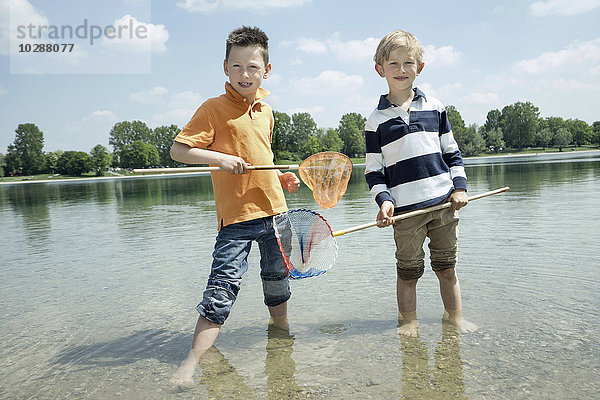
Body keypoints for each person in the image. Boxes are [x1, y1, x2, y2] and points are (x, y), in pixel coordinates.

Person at [169, 26, 300, 385]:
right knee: (221, 288)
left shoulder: (268, 111)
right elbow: (178, 151)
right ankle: (191, 362)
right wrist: (219, 158)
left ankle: (281, 335)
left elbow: (265, 159)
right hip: (237, 220)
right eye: (238, 66)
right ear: (225, 67)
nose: (246, 74)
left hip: (275, 212)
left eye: (253, 67)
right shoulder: (213, 109)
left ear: (266, 71)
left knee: (277, 279)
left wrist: (281, 179)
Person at [364, 30, 478, 337]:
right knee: (409, 272)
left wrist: (460, 188)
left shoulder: (436, 108)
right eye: (394, 64)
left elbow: (452, 154)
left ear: (420, 67)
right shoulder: (375, 121)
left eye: (408, 63)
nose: (401, 70)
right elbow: (374, 172)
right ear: (380, 69)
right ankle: (409, 323)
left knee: (446, 268)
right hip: (405, 213)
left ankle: (455, 319)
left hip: (444, 204)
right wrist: (385, 201)